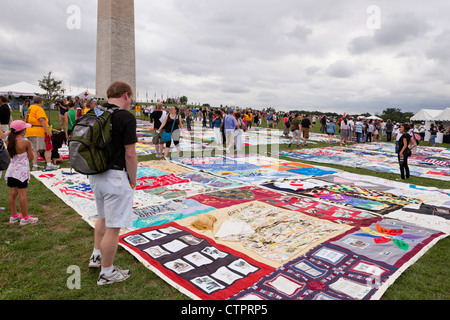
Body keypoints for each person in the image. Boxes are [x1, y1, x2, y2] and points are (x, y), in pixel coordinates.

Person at [88, 81, 137, 286]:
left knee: (102, 217)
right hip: (115, 176)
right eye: (131, 98)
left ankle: (96, 255)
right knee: (114, 226)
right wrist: (133, 180)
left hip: (95, 174)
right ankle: (106, 272)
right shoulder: (125, 117)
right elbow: (130, 153)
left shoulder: (94, 113)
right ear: (125, 95)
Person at [4, 120, 37, 225]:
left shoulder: (9, 141)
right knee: (22, 195)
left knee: (12, 193)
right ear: (22, 131)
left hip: (11, 171)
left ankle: (14, 216)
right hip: (21, 172)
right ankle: (25, 218)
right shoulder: (26, 142)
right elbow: (31, 157)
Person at [25, 96, 58, 170]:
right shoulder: (39, 109)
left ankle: (35, 165)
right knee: (48, 148)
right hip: (38, 131)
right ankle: (49, 164)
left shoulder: (30, 108)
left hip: (30, 130)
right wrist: (48, 130)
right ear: (41, 102)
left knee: (34, 149)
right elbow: (41, 120)